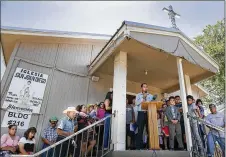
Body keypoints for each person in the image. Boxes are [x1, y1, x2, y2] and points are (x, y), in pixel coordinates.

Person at [135, 83, 153, 149]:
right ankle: (138, 146)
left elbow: (153, 103)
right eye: (144, 87)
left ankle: (149, 146)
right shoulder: (138, 95)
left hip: (149, 113)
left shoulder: (150, 96)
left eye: (146, 87)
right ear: (141, 88)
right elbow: (136, 103)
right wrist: (143, 98)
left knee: (149, 130)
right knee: (140, 130)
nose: (145, 88)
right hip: (141, 113)